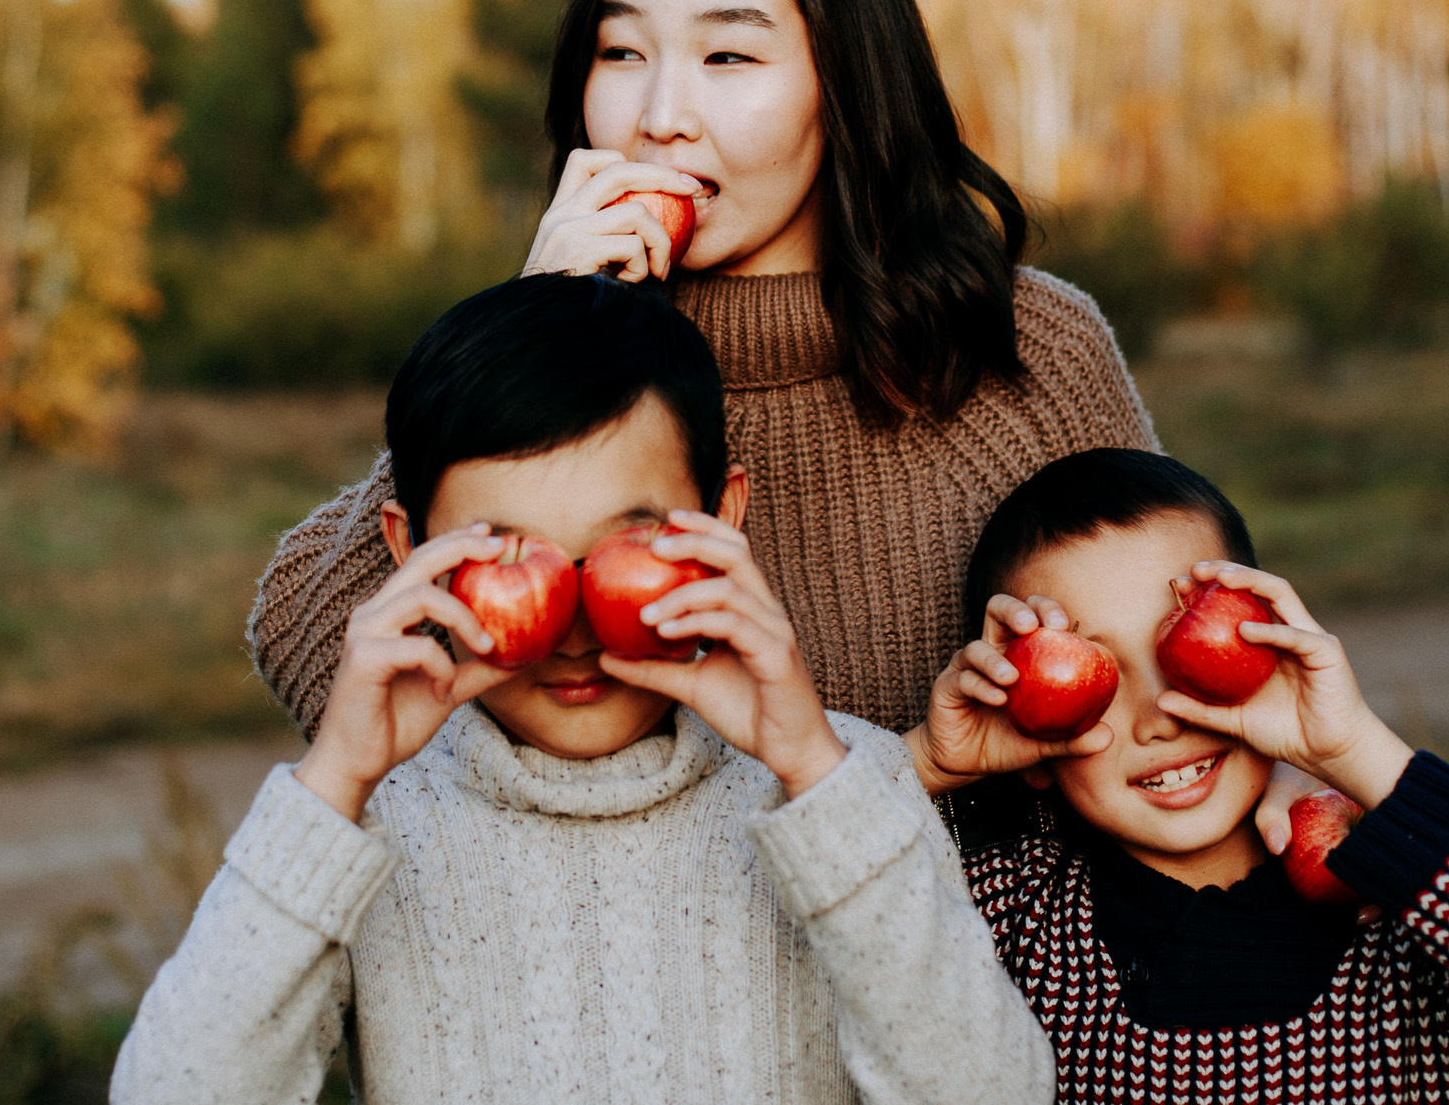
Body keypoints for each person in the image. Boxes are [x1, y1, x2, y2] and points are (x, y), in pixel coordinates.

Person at [251, 0, 1159, 746]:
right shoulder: (590, 348)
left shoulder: (1029, 344)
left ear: (842, 85)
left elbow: (1169, 689)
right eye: (621, 52)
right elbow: (313, 658)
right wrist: (533, 333)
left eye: (728, 54)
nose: (661, 114)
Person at [115, 274, 1055, 1105]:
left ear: (723, 517)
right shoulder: (370, 821)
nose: (567, 625)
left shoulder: (852, 787)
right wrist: (334, 783)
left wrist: (812, 768)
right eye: (505, 554)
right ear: (406, 550)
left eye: (623, 549)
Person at [903, 449, 1449, 1104]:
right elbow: (786, 956)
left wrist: (1350, 748)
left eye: (1182, 653)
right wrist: (927, 764)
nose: (1161, 717)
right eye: (1098, 677)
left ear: (1269, 650)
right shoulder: (1004, 919)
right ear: (1029, 725)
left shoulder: (1411, 920)